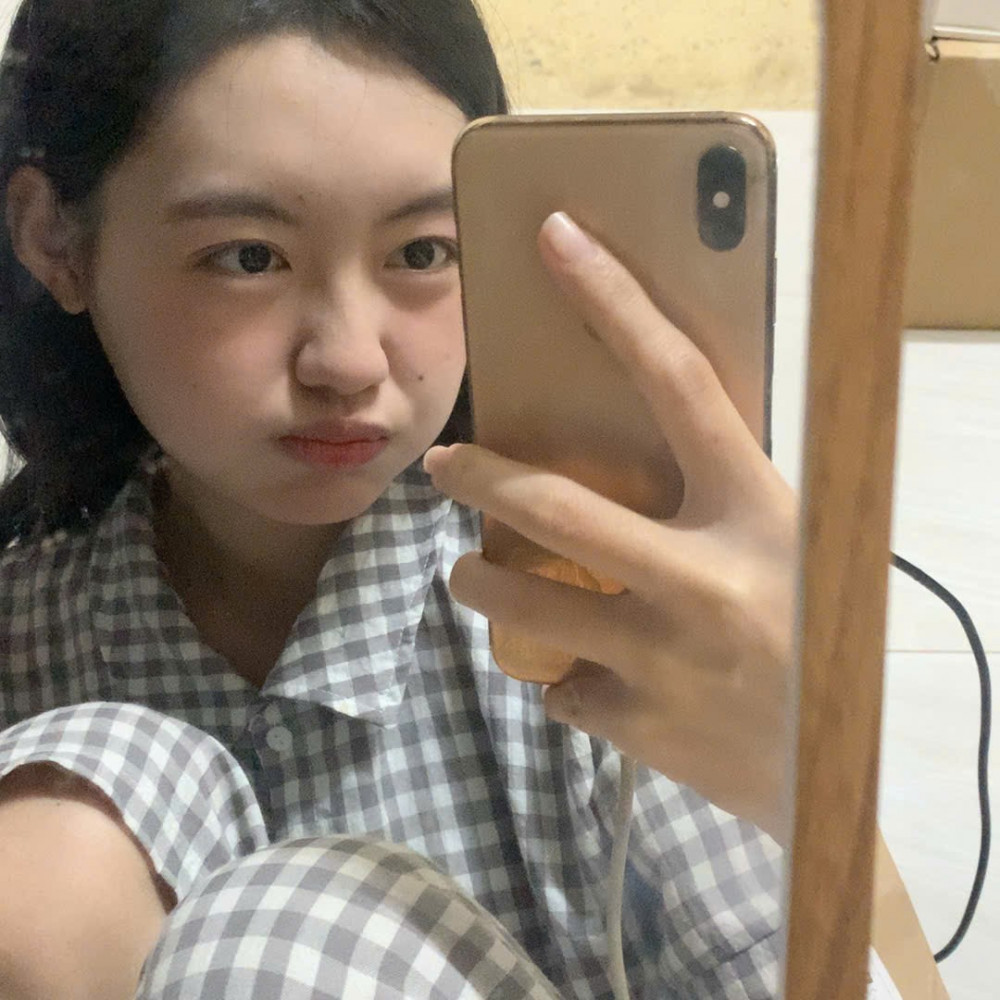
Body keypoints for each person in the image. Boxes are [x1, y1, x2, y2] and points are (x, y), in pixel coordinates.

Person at [0, 1, 796, 997]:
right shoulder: (23, 634)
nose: (347, 360)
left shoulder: (602, 621)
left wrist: (802, 785)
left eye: (423, 253)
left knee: (273, 939)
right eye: (248, 256)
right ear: (55, 239)